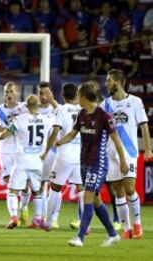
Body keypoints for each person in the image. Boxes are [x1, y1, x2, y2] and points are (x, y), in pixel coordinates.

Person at [56, 82, 128, 247]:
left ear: (84, 97)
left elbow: (117, 141)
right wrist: (58, 142)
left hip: (98, 164)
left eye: (79, 95)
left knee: (87, 196)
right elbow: (73, 133)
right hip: (84, 163)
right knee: (95, 201)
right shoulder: (81, 114)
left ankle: (80, 237)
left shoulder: (105, 116)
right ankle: (112, 234)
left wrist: (123, 162)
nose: (77, 98)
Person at [102, 69, 153, 239]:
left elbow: (144, 126)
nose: (106, 84)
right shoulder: (105, 104)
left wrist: (148, 149)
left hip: (129, 151)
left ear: (118, 82)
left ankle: (138, 224)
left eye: (109, 81)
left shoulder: (135, 101)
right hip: (111, 152)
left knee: (130, 187)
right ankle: (127, 228)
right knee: (118, 191)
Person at [0, 94, 53, 229]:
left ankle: (14, 216)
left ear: (26, 106)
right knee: (37, 191)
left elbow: (6, 133)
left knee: (13, 190)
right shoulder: (47, 120)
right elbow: (55, 129)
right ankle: (38, 218)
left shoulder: (20, 120)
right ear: (37, 105)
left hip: (21, 161)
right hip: (37, 161)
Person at [40, 83, 84, 231]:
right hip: (80, 156)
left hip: (64, 155)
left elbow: (55, 130)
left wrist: (47, 150)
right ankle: (84, 223)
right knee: (82, 189)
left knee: (54, 188)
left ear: (63, 95)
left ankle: (47, 222)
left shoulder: (61, 110)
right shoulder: (83, 110)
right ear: (76, 95)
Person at [0, 82, 29, 225]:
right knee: (10, 183)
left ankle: (23, 208)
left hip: (22, 150)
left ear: (17, 93)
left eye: (11, 91)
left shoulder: (24, 108)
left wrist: (8, 129)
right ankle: (13, 217)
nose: (9, 94)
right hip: (6, 150)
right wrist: (14, 127)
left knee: (25, 185)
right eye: (6, 92)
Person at [35, 82, 59, 228]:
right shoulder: (31, 109)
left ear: (51, 94)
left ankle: (54, 218)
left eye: (46, 93)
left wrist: (53, 102)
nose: (43, 96)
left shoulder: (56, 110)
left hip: (53, 153)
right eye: (40, 93)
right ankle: (42, 217)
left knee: (55, 185)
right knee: (39, 185)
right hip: (38, 154)